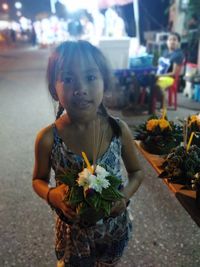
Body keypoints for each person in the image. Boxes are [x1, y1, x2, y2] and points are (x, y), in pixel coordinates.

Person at [32, 40, 143, 267]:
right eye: (68, 79)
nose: (80, 88)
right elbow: (38, 180)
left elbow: (137, 172)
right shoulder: (48, 139)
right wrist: (52, 194)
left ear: (105, 82)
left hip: (113, 227)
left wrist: (124, 197)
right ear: (54, 89)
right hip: (74, 234)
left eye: (91, 77)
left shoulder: (118, 130)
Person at [156, 32, 184, 107]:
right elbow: (160, 66)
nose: (172, 41)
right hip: (160, 75)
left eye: (174, 40)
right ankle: (147, 102)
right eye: (170, 39)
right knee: (142, 78)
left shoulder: (178, 55)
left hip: (170, 78)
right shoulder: (165, 52)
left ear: (178, 42)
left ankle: (155, 104)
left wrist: (159, 75)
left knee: (154, 82)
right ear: (167, 42)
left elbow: (173, 73)